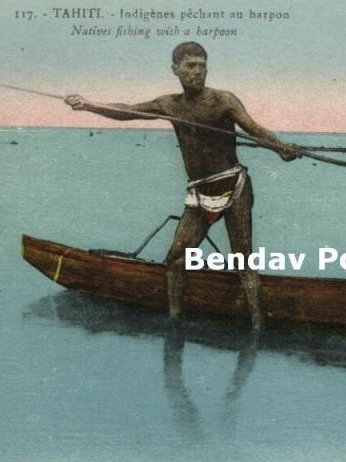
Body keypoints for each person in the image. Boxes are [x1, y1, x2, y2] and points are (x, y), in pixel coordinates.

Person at [65, 41, 297, 329]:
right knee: (175, 259)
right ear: (176, 69)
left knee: (244, 261)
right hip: (199, 193)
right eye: (190, 66)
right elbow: (128, 111)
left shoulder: (224, 100)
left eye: (202, 65)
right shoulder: (168, 105)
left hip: (233, 187)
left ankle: (258, 329)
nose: (197, 72)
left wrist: (281, 148)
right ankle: (174, 325)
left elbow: (256, 130)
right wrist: (88, 105)